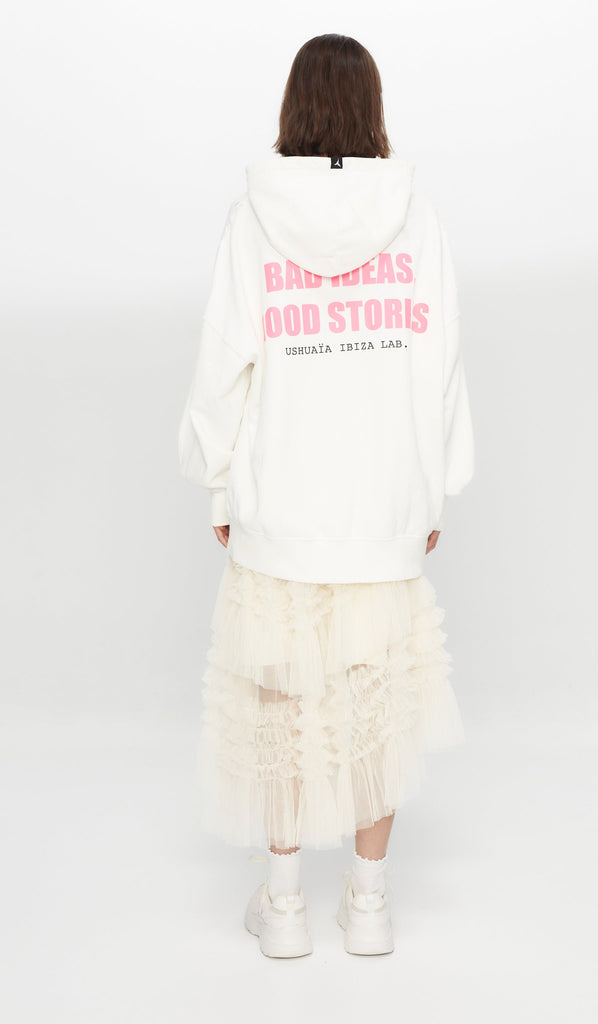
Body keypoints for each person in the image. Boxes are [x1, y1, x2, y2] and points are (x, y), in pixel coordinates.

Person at [177, 32, 475, 958]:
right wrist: (432, 493)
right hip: (380, 505)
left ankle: (284, 909)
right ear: (370, 108)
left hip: (282, 504)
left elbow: (224, 360)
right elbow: (441, 362)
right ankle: (370, 906)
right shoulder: (415, 217)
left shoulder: (252, 220)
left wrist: (217, 480)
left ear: (294, 106)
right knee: (373, 706)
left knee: (281, 703)